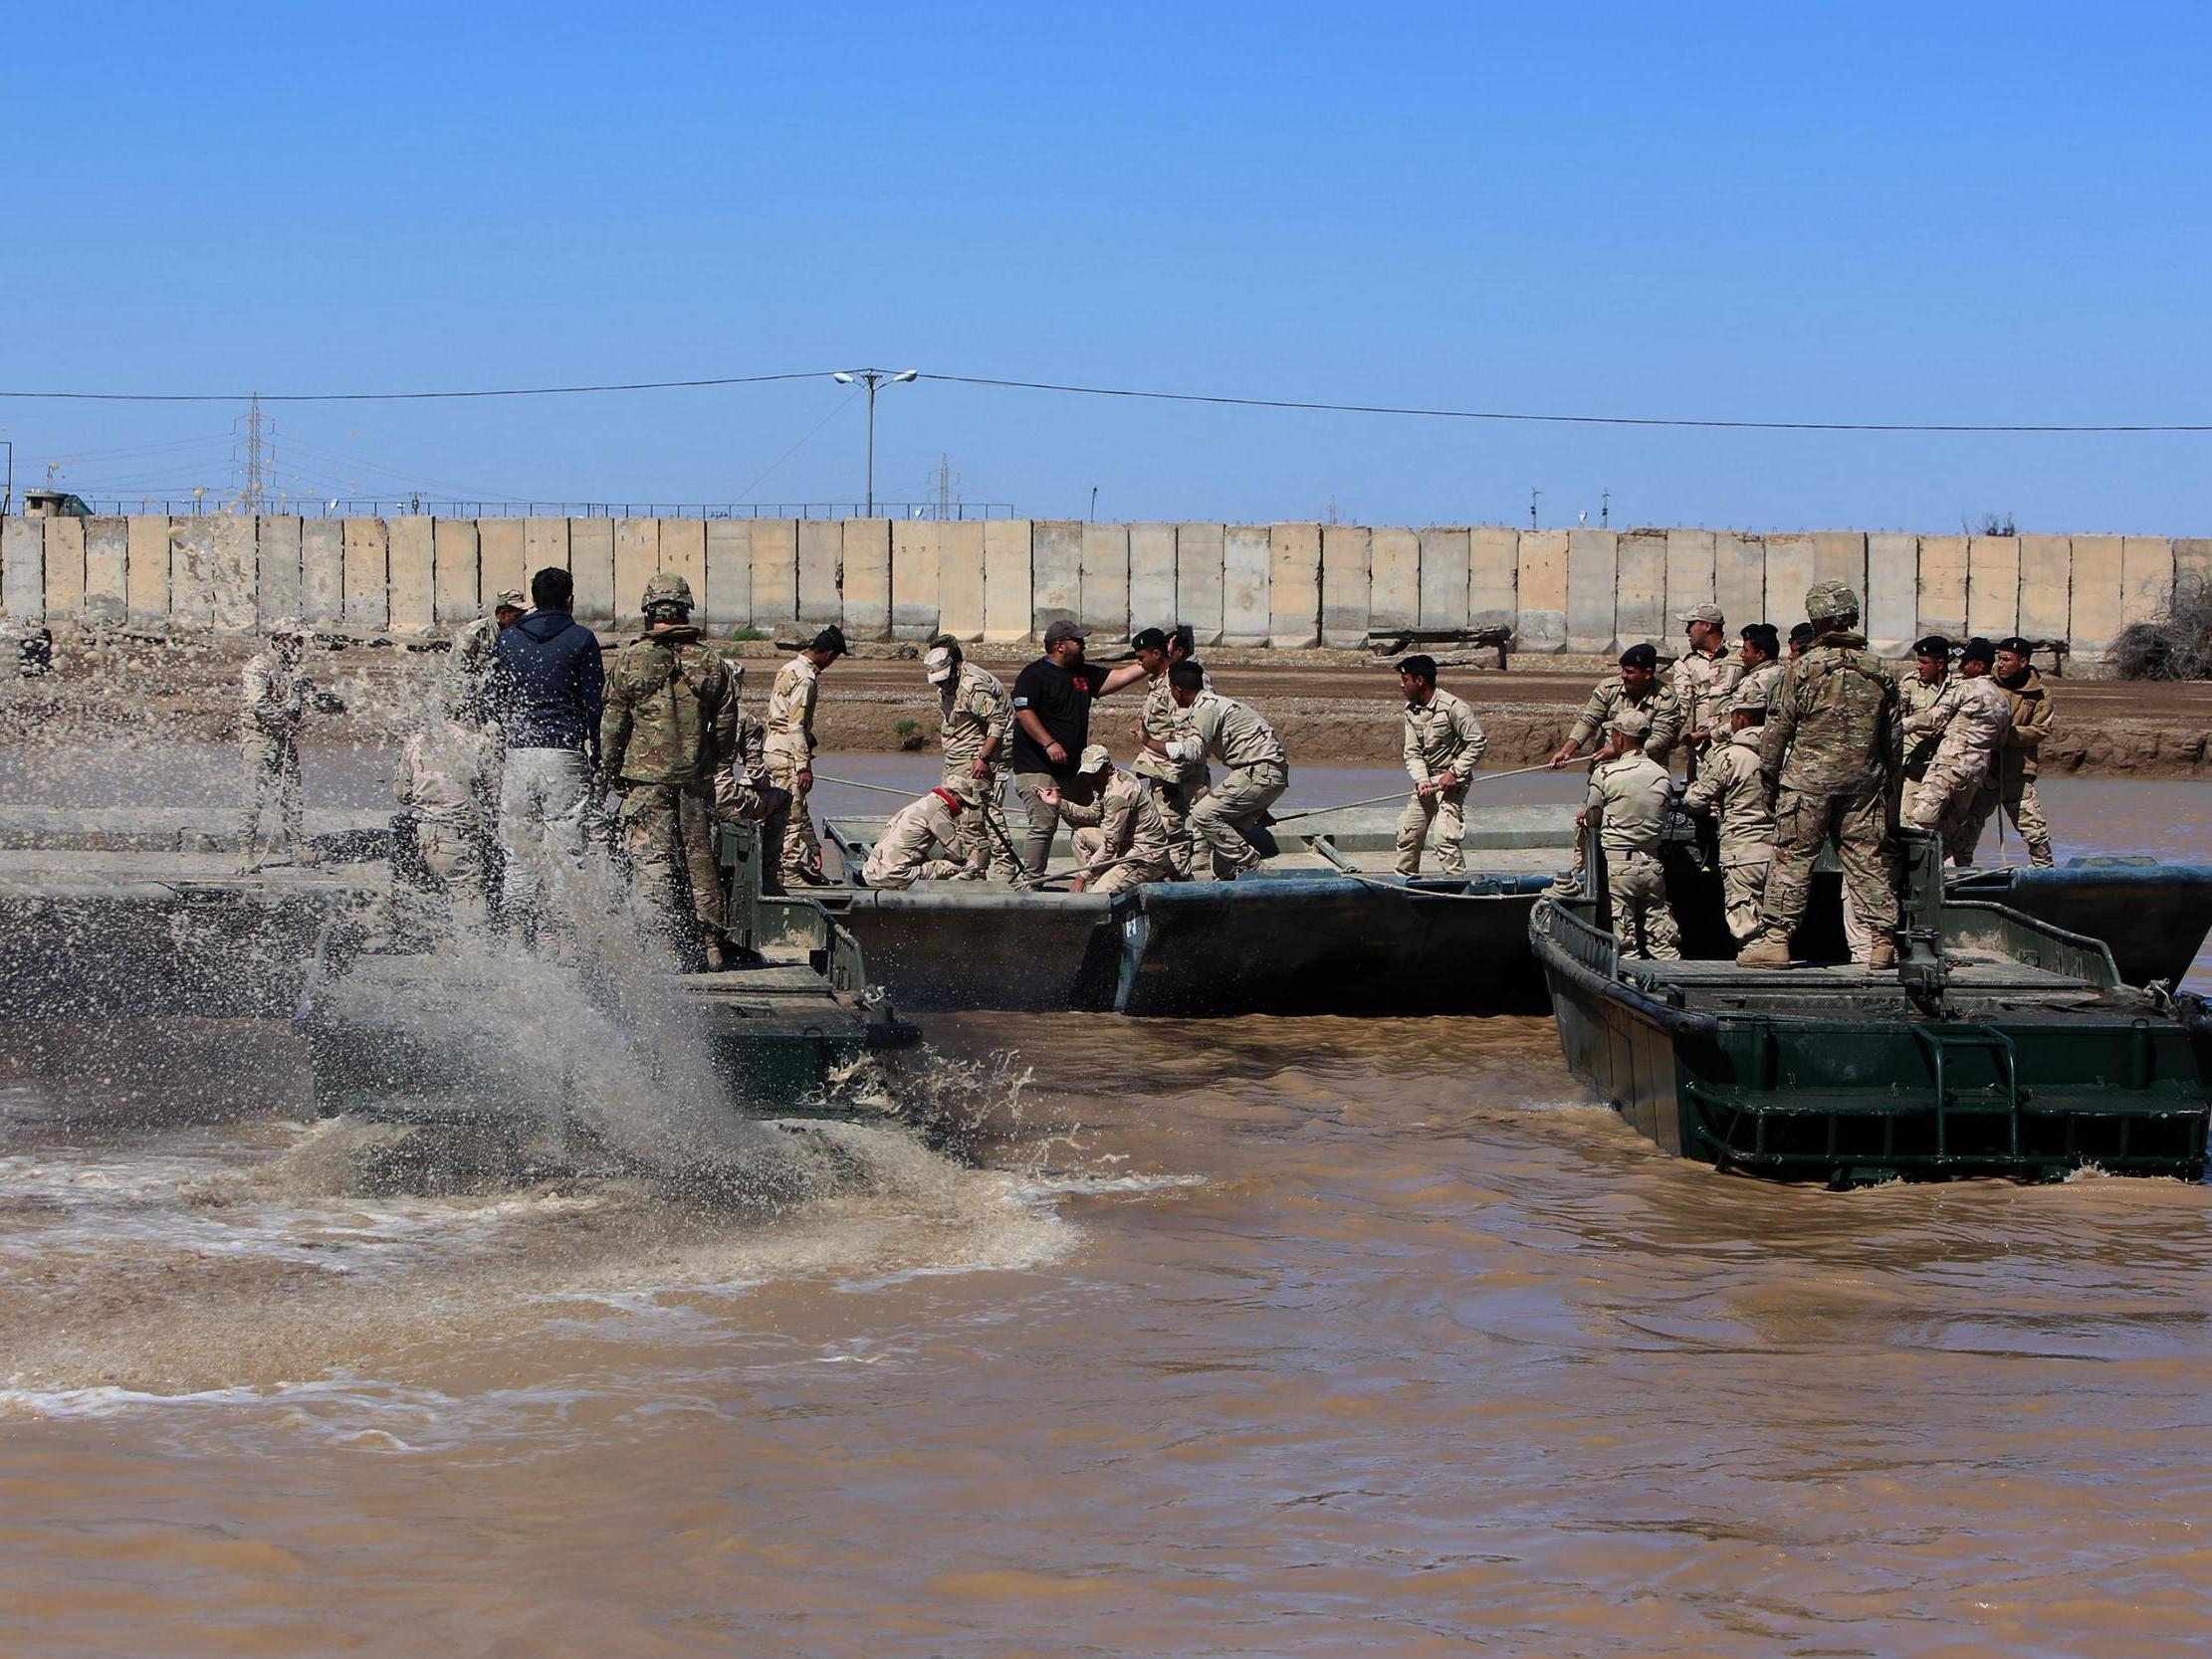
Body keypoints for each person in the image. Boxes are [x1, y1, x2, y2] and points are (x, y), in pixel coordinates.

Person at [1737, 582, 1903, 970]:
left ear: (1817, 620)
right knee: (1867, 859)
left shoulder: (1801, 670)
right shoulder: (1880, 671)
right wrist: (1883, 779)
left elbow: (1777, 732)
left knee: (1792, 859)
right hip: (1864, 785)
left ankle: (1777, 941)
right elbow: (1893, 740)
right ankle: (1882, 941)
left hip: (1806, 785)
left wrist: (1770, 779)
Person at [600, 572, 740, 966]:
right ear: (685, 609)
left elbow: (613, 724)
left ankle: (660, 948)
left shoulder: (631, 659)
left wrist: (608, 775)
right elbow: (727, 721)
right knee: (700, 859)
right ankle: (711, 944)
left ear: (649, 611)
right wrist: (716, 760)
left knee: (653, 862)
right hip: (695, 779)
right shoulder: (711, 661)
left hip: (646, 780)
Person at [490, 565, 605, 949]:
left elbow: (492, 698)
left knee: (519, 847)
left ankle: (516, 940)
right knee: (567, 847)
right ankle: (559, 942)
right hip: (564, 754)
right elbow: (593, 705)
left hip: (519, 754)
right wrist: (598, 755)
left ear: (533, 599)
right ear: (570, 598)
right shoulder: (582, 639)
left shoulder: (508, 639)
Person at [1010, 620, 1137, 878]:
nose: (1083, 645)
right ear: (1060, 646)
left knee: (1093, 818)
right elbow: (1024, 712)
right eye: (1077, 641)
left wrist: (1149, 664)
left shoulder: (1082, 674)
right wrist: (1049, 743)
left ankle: (1098, 874)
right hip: (1037, 765)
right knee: (1044, 824)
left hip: (1072, 769)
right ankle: (1031, 882)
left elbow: (1116, 678)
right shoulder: (1033, 675)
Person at [235, 619, 344, 874]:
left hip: (284, 741)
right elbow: (258, 703)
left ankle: (296, 848)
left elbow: (311, 698)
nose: (300, 646)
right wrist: (284, 721)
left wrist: (335, 704)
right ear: (281, 639)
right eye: (296, 640)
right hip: (259, 740)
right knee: (254, 798)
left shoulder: (294, 671)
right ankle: (245, 854)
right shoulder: (259, 666)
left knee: (292, 796)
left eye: (301, 641)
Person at [1164, 661, 1288, 877]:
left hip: (1259, 772)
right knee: (1223, 851)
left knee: (1203, 814)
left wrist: (1151, 743)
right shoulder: (1216, 703)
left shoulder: (1205, 709)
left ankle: (1256, 867)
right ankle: (1228, 882)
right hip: (1266, 774)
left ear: (1177, 689)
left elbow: (1194, 752)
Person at [1578, 708, 1680, 960]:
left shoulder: (1606, 774)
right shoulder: (1662, 774)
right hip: (1652, 865)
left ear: (1620, 738)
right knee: (1662, 940)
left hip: (1618, 866)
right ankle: (1672, 983)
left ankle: (1630, 990)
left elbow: (1593, 818)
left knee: (1624, 945)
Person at [392, 694, 497, 931]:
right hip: (457, 835)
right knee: (467, 893)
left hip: (425, 834)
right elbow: (492, 792)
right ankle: (474, 954)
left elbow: (401, 793)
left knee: (431, 899)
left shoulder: (415, 742)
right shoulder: (473, 742)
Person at [1902, 637, 2010, 865]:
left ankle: (1913, 878)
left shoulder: (1966, 687)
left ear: (1979, 665)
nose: (1960, 667)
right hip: (1975, 773)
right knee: (1948, 832)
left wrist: (1903, 725)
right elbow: (2001, 741)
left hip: (1949, 765)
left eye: (1965, 662)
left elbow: (1935, 716)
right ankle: (1946, 879)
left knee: (1921, 822)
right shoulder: (2002, 699)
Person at [1680, 685, 1775, 943]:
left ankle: (1757, 974)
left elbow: (1696, 800)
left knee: (1747, 929)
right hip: (1780, 852)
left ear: (1741, 718)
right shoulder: (1787, 753)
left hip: (1743, 850)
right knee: (1777, 928)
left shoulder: (1730, 756)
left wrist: (1697, 795)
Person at [1955, 636, 2056, 867]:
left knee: (2035, 830)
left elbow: (2040, 729)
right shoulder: (1984, 683)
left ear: (2022, 662)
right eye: (1999, 659)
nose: (2000, 664)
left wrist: (2006, 735)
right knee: (1968, 827)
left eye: (2006, 660)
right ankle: (1959, 874)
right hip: (1983, 770)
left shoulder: (2040, 693)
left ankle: (2045, 874)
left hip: (2017, 772)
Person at [926, 635, 1018, 881]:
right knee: (955, 809)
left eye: (944, 680)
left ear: (954, 665)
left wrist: (983, 758)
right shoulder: (949, 683)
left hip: (978, 755)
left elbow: (998, 722)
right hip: (957, 756)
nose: (941, 686)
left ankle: (1003, 865)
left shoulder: (973, 685)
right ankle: (973, 863)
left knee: (982, 811)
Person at [764, 625, 846, 886]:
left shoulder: (788, 668)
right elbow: (796, 725)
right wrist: (803, 767)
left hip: (773, 748)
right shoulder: (806, 678)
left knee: (780, 811)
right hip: (788, 752)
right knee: (793, 811)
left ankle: (780, 868)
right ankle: (789, 873)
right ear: (829, 654)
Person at [1128, 625, 1212, 878]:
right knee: (1176, 828)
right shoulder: (1158, 682)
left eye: (1142, 657)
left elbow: (1187, 734)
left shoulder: (1176, 684)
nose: (1138, 663)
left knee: (1173, 828)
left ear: (1156, 653)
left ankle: (1184, 882)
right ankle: (1182, 876)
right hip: (1163, 768)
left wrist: (1172, 777)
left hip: (1175, 771)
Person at [1036, 743, 1176, 895]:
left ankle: (1147, 877)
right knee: (1080, 834)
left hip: (1144, 856)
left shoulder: (1118, 795)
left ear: (1108, 768)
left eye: (1094, 773)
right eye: (1087, 775)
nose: (1090, 780)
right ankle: (1096, 879)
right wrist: (1058, 803)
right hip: (1125, 845)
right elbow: (1093, 814)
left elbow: (1111, 845)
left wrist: (1081, 876)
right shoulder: (1107, 783)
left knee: (1096, 896)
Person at [1395, 654, 1488, 876]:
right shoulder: (1410, 710)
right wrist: (1422, 780)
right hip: (1427, 781)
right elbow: (1412, 753)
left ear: (1419, 681)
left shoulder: (1454, 707)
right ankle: (1404, 887)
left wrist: (1454, 772)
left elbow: (1477, 742)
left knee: (1444, 839)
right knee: (1408, 834)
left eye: (1404, 679)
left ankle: (1457, 890)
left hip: (1453, 782)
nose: (1401, 685)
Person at [1549, 643, 1685, 772]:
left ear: (1647, 674)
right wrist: (1566, 751)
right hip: (1607, 769)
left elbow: (1660, 738)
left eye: (1629, 672)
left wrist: (1617, 750)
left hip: (1646, 772)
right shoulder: (1609, 688)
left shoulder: (1666, 697)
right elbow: (1589, 721)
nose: (1623, 675)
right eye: (1622, 670)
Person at [713, 700, 792, 894]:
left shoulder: (693, 712)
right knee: (783, 799)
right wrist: (768, 786)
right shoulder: (745, 717)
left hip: (691, 795)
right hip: (725, 797)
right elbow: (756, 773)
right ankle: (769, 876)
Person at [860, 776, 984, 889]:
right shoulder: (939, 809)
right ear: (951, 793)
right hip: (894, 877)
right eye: (962, 802)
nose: (963, 808)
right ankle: (949, 897)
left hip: (871, 873)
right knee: (967, 866)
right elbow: (956, 854)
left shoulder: (921, 804)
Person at [1673, 604, 1742, 774]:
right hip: (1703, 750)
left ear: (1707, 625)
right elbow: (1681, 704)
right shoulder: (1686, 662)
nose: (1687, 631)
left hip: (1738, 744)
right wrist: (1669, 734)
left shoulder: (1741, 653)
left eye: (1691, 625)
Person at [1898, 634, 1953, 817]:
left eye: (1924, 662)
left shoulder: (1957, 687)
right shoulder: (1910, 683)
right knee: (1908, 823)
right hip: (1913, 768)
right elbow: (1897, 721)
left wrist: (1945, 731)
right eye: (1918, 661)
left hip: (1944, 771)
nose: (1918, 666)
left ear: (1940, 664)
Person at [450, 588, 527, 712]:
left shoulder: (517, 633)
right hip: (465, 700)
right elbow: (456, 674)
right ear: (503, 613)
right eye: (517, 616)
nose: (521, 620)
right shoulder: (472, 634)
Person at [1735, 623, 1784, 721]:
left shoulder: (1753, 682)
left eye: (1745, 650)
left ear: (1760, 655)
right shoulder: (1785, 673)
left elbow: (1743, 721)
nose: (1741, 655)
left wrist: (1708, 733)